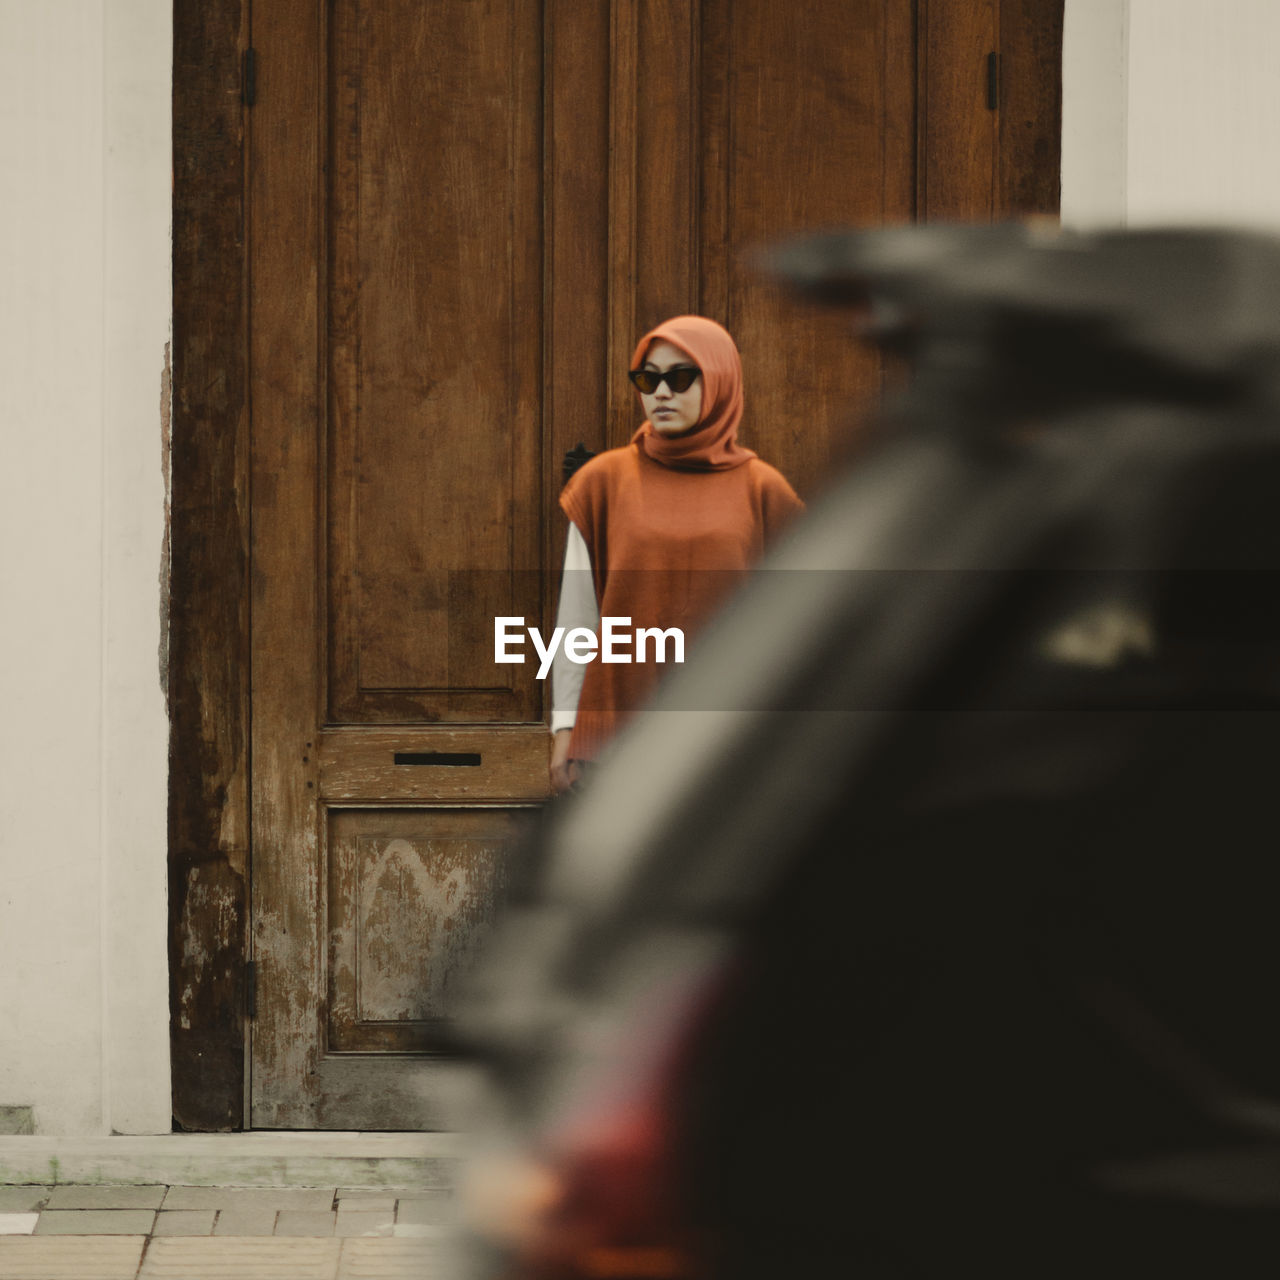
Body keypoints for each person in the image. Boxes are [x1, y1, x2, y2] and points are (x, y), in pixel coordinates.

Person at [548, 315, 803, 793]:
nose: (660, 392)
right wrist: (565, 727)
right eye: (647, 378)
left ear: (721, 380)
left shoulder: (764, 490)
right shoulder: (602, 483)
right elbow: (577, 620)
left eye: (680, 377)